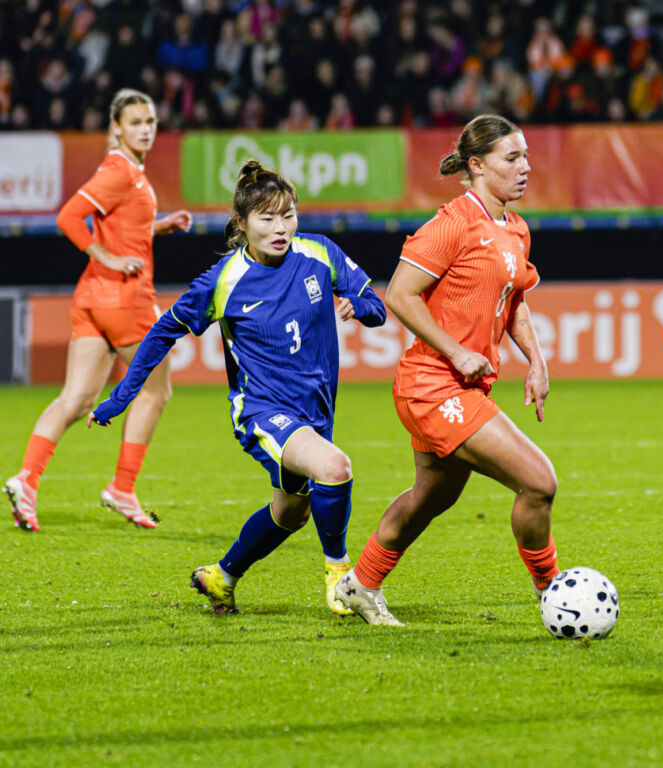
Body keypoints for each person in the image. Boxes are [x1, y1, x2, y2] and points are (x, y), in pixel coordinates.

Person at [89, 160, 387, 616]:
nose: (280, 227)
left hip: (316, 411)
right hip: (261, 411)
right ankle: (341, 575)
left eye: (288, 215)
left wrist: (358, 306)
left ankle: (222, 577)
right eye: (267, 218)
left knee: (291, 513)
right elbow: (162, 332)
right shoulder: (223, 281)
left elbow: (376, 306)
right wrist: (120, 397)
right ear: (242, 223)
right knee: (334, 466)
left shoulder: (320, 253)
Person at [333, 114, 557, 626]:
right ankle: (554, 593)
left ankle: (360, 584)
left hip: (462, 386)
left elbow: (515, 298)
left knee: (430, 498)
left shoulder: (515, 229)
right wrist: (456, 352)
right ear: (476, 166)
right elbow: (399, 293)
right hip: (433, 385)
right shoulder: (453, 223)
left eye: (526, 156)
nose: (525, 168)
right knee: (539, 482)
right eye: (512, 158)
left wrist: (536, 362)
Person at [5, 88, 192, 532]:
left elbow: (121, 228)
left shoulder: (130, 173)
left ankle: (26, 480)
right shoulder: (120, 170)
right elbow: (69, 217)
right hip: (125, 299)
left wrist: (157, 226)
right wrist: (107, 257)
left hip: (91, 299)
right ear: (116, 128)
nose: (146, 128)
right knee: (155, 390)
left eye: (150, 121)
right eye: (136, 122)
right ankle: (123, 487)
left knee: (77, 398)